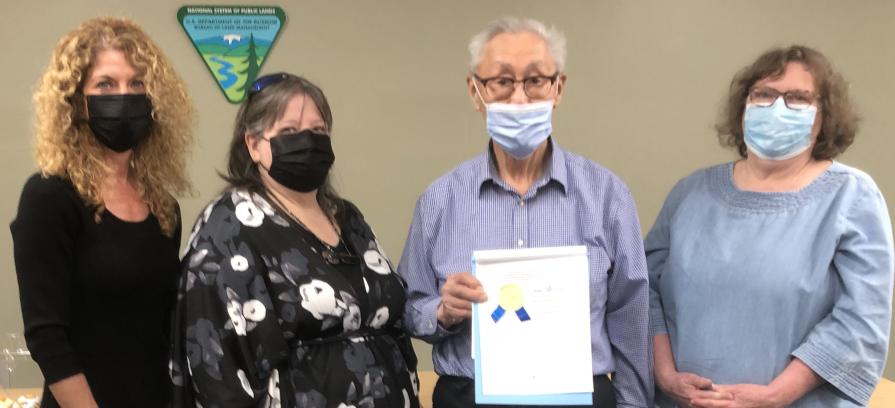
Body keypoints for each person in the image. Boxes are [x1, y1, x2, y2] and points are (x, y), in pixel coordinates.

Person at [399, 17, 652, 408]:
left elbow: (631, 318)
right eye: (501, 81)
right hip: (470, 396)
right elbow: (410, 309)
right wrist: (444, 311)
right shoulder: (439, 200)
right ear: (475, 92)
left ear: (558, 88)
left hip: (579, 396)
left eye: (535, 81)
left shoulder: (607, 196)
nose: (519, 98)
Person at [646, 45, 894, 407]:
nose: (777, 107)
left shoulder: (851, 199)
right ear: (744, 107)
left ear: (824, 116)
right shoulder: (690, 194)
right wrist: (665, 376)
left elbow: (861, 322)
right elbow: (643, 294)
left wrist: (776, 396)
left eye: (797, 98)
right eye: (763, 95)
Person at [169, 73, 420, 408]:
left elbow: (391, 318)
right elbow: (216, 364)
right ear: (254, 145)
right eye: (289, 131)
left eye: (318, 131)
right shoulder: (228, 228)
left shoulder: (349, 219)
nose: (308, 140)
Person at [10, 16, 193, 408]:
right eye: (106, 84)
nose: (124, 96)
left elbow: (162, 329)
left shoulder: (164, 208)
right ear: (77, 101)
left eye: (137, 84)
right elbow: (47, 338)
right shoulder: (49, 198)